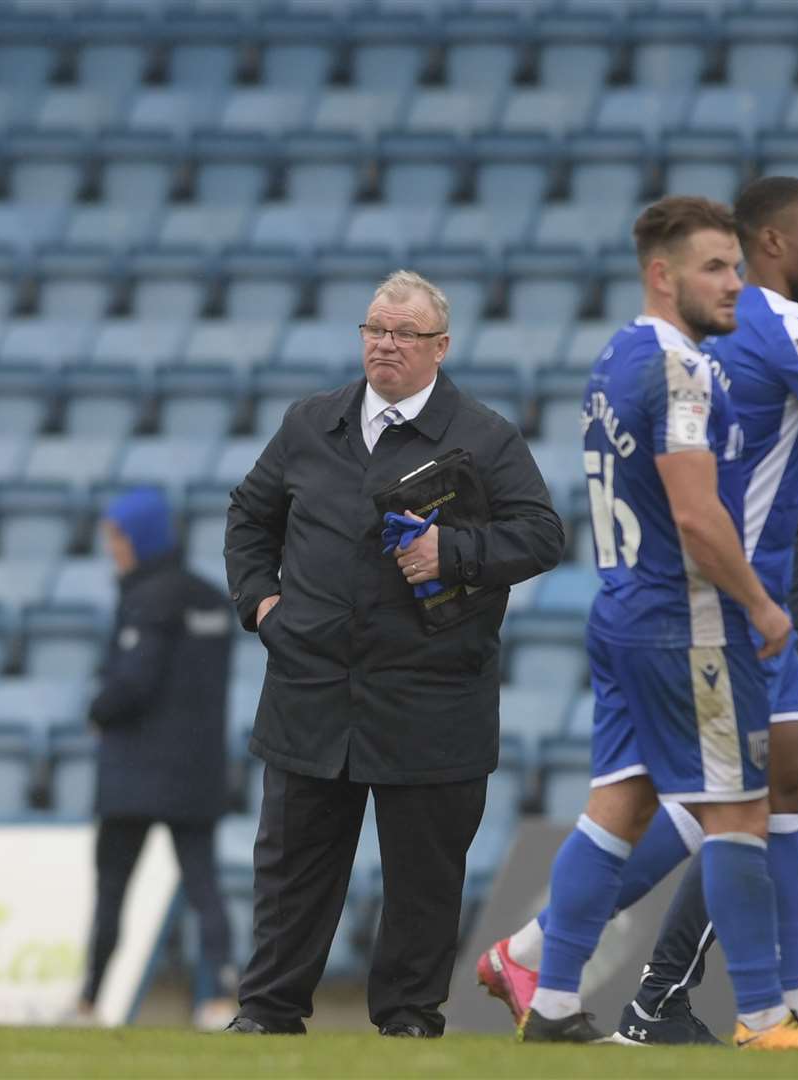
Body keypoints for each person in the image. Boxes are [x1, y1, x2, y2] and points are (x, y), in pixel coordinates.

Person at [483, 180, 798, 1051]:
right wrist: (757, 602)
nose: (733, 285)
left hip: (631, 605)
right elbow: (702, 515)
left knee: (633, 803)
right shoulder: (690, 368)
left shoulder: (618, 358)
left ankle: (549, 989)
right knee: (738, 809)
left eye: (735, 267)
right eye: (716, 270)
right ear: (665, 276)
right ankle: (756, 1013)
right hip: (699, 614)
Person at [222, 269, 563, 1038]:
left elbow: (542, 535)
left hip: (433, 693)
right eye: (375, 328)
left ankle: (409, 1020)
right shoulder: (312, 422)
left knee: (423, 876)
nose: (385, 343)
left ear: (440, 347)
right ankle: (267, 1013)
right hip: (311, 686)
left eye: (404, 333)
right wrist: (261, 604)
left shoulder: (484, 435)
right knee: (292, 868)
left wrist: (456, 550)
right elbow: (250, 515)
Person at [76, 486, 234, 1030]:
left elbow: (132, 684)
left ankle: (91, 1001)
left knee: (113, 887)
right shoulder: (212, 599)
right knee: (203, 884)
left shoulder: (147, 598)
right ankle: (219, 999)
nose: (112, 549)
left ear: (139, 537)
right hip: (197, 769)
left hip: (135, 772)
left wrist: (96, 711)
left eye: (117, 538)